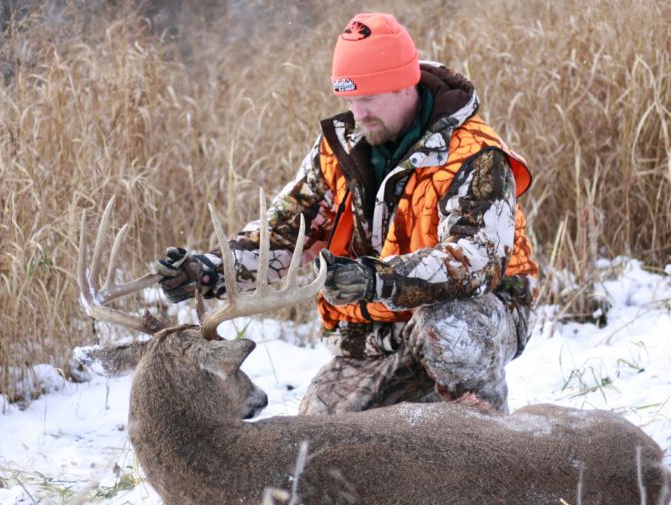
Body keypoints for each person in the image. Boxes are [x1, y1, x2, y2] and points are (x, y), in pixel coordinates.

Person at [155, 12, 538, 415]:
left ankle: (488, 441)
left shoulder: (473, 154)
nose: (358, 115)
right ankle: (419, 400)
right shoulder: (341, 149)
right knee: (318, 438)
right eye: (350, 100)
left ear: (405, 84)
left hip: (478, 312)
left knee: (448, 331)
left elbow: (474, 262)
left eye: (369, 99)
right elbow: (285, 233)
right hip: (378, 329)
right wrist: (211, 269)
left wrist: (376, 279)